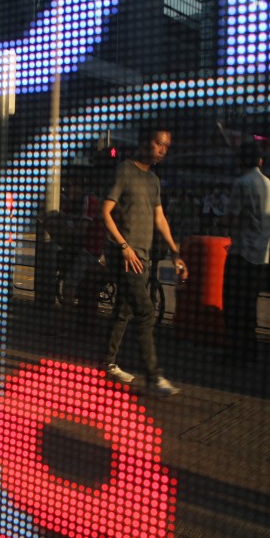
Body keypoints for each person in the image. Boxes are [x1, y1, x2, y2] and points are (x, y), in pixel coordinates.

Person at [100, 126, 187, 397]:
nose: (162, 150)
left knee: (124, 310)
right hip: (127, 258)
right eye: (159, 143)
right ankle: (153, 377)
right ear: (144, 142)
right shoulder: (125, 170)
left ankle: (108, 363)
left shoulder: (154, 180)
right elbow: (105, 212)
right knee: (146, 312)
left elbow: (160, 218)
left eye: (166, 146)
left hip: (144, 256)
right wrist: (124, 247)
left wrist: (175, 251)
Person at [221, 141, 270, 365]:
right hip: (262, 254)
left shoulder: (242, 183)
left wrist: (223, 221)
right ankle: (249, 350)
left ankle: (235, 352)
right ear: (259, 161)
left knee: (233, 305)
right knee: (250, 304)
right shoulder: (268, 183)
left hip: (242, 252)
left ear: (240, 160)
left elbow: (230, 217)